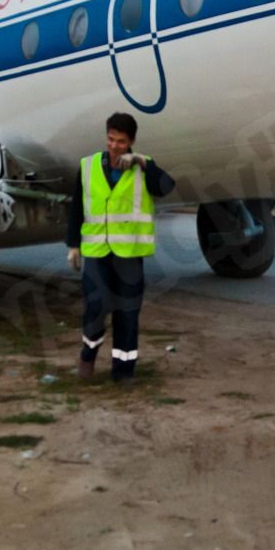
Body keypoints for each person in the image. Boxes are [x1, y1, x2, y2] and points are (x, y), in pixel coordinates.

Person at [66, 112, 176, 381]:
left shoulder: (143, 166)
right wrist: (73, 244)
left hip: (129, 253)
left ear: (132, 141)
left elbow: (166, 186)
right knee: (96, 306)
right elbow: (77, 207)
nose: (115, 146)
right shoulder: (88, 165)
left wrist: (141, 162)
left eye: (121, 141)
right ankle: (88, 355)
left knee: (127, 313)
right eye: (111, 139)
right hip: (97, 251)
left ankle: (123, 372)